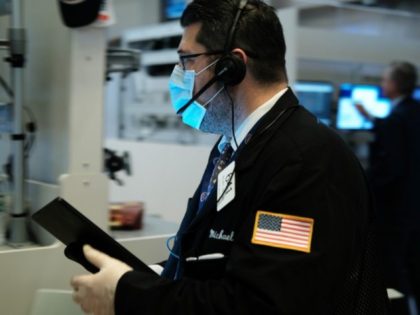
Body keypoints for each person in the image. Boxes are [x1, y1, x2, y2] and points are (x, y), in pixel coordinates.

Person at [71, 1, 389, 314]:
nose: (180, 76)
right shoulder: (236, 145)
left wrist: (128, 294)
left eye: (187, 60)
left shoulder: (304, 162)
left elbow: (260, 304)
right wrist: (149, 277)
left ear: (231, 67)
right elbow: (223, 260)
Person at [359, 61, 420, 312]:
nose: (382, 85)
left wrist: (367, 186)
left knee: (396, 267)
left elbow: (392, 167)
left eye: (385, 80)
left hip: (396, 208)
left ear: (394, 84)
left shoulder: (396, 118)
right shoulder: (413, 110)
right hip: (413, 203)